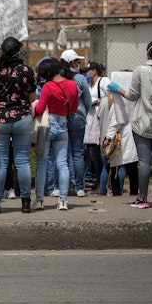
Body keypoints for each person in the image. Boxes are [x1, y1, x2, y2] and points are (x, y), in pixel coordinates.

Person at [107, 41, 152, 209]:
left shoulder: (140, 70)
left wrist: (118, 89)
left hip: (143, 122)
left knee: (144, 161)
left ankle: (142, 198)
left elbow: (132, 96)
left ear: (148, 54)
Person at [0, 37, 36, 214]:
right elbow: (32, 97)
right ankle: (25, 202)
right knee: (23, 161)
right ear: (18, 52)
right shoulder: (27, 71)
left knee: (1, 163)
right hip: (23, 118)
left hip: (1, 120)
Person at [33, 58, 78, 211]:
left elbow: (39, 110)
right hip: (63, 125)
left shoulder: (48, 86)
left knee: (42, 163)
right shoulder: (72, 85)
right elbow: (74, 107)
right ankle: (63, 200)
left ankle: (39, 200)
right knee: (62, 163)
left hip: (46, 126)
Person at [59, 49, 92, 198]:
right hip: (78, 117)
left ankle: (66, 184)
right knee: (78, 152)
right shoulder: (80, 78)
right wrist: (84, 111)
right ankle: (79, 187)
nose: (79, 64)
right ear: (72, 62)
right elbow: (88, 100)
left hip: (63, 117)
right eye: (77, 61)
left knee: (65, 153)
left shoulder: (60, 78)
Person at [83, 62, 111, 196]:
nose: (87, 74)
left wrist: (102, 101)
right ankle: (97, 180)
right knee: (91, 154)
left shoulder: (103, 81)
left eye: (88, 71)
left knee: (99, 154)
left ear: (94, 71)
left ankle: (104, 183)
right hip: (90, 122)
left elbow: (111, 95)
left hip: (100, 120)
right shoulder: (89, 85)